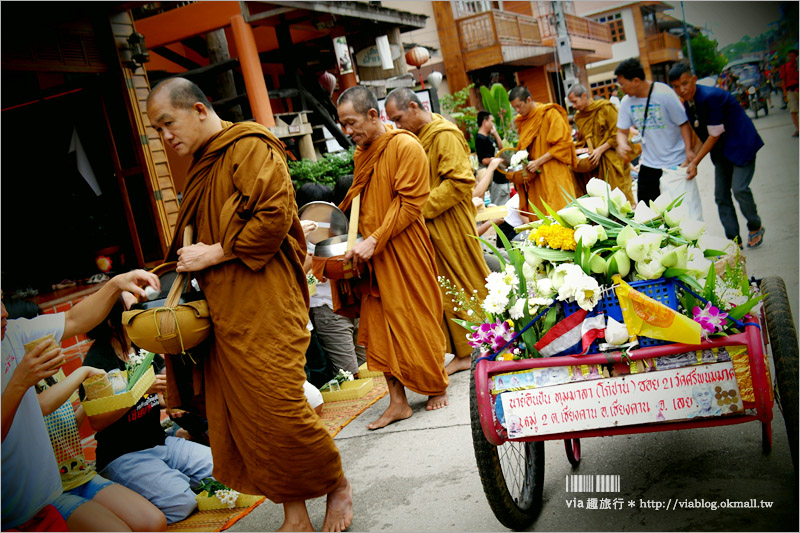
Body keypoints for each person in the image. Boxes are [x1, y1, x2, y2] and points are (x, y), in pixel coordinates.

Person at [146, 77, 352, 532]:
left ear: (199, 110)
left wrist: (215, 252)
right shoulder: (203, 165)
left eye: (167, 123)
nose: (165, 137)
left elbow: (275, 217)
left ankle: (336, 483)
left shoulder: (251, 145)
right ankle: (294, 512)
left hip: (266, 305)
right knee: (250, 422)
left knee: (282, 410)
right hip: (224, 314)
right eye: (157, 129)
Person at [1, 270, 160, 531]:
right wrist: (24, 380)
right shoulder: (31, 371)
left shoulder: (16, 337)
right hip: (28, 504)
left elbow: (74, 319)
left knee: (153, 523)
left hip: (65, 482)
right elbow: (41, 406)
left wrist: (116, 283)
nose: (3, 313)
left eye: (1, 300)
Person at [336, 86, 450, 429]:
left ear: (373, 115)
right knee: (379, 324)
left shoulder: (405, 145)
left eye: (351, 122)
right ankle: (397, 402)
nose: (348, 131)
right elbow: (358, 198)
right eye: (342, 125)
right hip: (372, 253)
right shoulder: (362, 154)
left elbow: (410, 202)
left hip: (403, 246)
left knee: (417, 314)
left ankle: (435, 386)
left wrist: (375, 239)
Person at [81, 293, 214, 524]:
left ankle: (168, 480)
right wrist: (142, 390)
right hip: (124, 456)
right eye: (135, 308)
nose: (142, 312)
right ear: (113, 320)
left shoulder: (141, 344)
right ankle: (132, 493)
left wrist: (171, 401)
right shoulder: (97, 361)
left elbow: (159, 397)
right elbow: (97, 421)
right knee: (183, 504)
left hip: (160, 442)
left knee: (222, 470)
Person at [384, 88, 490, 376]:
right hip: (432, 225)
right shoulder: (420, 137)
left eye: (399, 117)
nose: (397, 126)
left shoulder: (443, 135)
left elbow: (460, 182)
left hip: (450, 223)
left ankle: (475, 349)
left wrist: (416, 209)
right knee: (445, 286)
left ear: (414, 106)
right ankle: (465, 349)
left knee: (463, 281)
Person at [668, 62, 766, 249]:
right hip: (722, 151)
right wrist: (687, 160)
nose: (681, 89)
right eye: (676, 86)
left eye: (685, 83)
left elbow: (713, 135)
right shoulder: (689, 102)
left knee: (739, 189)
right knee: (721, 195)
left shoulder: (709, 97)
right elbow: (700, 134)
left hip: (741, 145)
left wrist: (695, 162)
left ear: (694, 79)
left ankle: (755, 226)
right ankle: (734, 241)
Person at [297, 181, 365, 377]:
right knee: (349, 372)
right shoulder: (301, 236)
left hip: (351, 302)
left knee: (369, 363)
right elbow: (300, 275)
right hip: (327, 309)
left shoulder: (338, 224)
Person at [613, 58, 695, 205]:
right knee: (647, 211)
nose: (621, 88)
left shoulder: (664, 93)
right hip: (649, 163)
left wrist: (688, 152)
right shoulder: (626, 102)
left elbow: (683, 123)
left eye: (623, 84)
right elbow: (622, 131)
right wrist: (621, 144)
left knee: (681, 211)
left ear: (636, 81)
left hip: (675, 162)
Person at [508, 86, 579, 216]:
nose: (517, 110)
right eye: (514, 108)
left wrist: (539, 161)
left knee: (561, 212)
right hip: (536, 177)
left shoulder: (550, 113)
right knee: (540, 216)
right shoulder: (523, 121)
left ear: (528, 99)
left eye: (519, 106)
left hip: (554, 171)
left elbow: (563, 143)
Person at [568, 84, 635, 203]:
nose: (574, 106)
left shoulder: (605, 108)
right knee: (598, 201)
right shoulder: (579, 116)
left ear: (584, 96)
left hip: (611, 157)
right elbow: (583, 139)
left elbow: (618, 133)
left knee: (617, 198)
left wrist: (600, 150)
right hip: (593, 162)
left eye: (575, 102)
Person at [474, 111, 510, 206]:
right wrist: (495, 160)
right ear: (485, 122)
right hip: (493, 177)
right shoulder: (480, 138)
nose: (492, 124)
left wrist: (495, 134)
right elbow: (483, 159)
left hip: (499, 175)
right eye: (491, 121)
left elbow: (501, 148)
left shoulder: (489, 137)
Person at [780, 49, 799, 137]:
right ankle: (798, 129)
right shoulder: (785, 67)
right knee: (793, 110)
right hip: (791, 90)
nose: (791, 58)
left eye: (793, 56)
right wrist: (785, 93)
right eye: (790, 56)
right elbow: (783, 80)